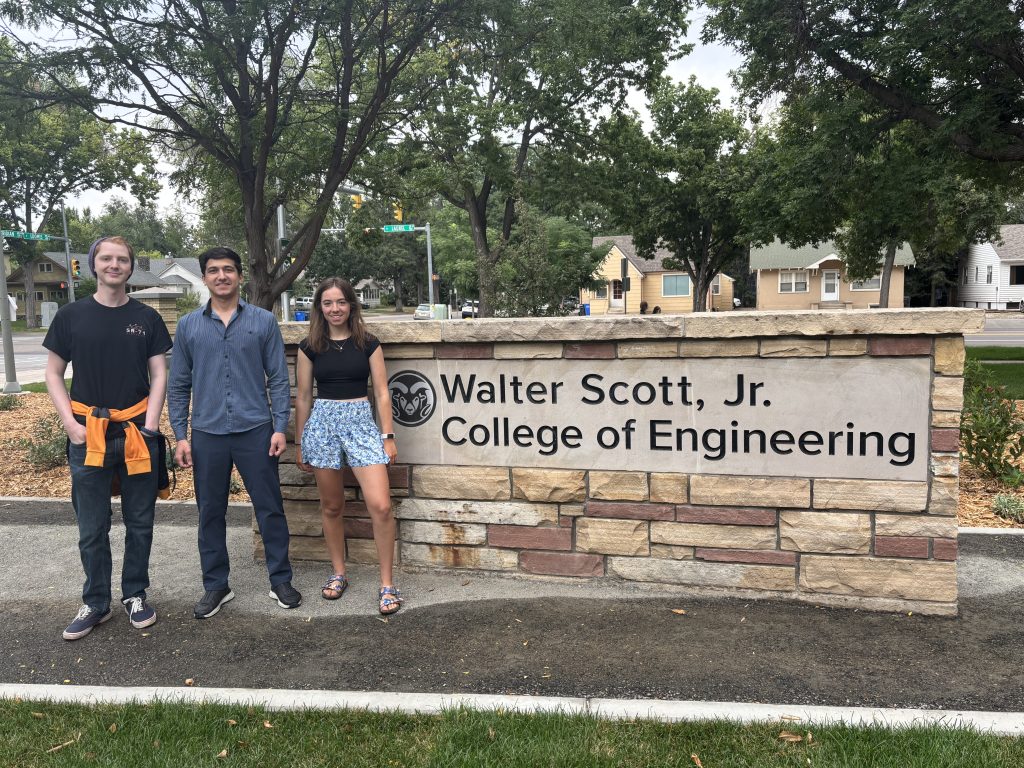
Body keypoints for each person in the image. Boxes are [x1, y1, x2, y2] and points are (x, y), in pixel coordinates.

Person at [43, 236, 172, 640]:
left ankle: (135, 594)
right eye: (106, 258)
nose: (114, 265)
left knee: (140, 522)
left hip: (136, 434)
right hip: (88, 436)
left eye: (122, 260)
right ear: (94, 265)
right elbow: (53, 373)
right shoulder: (70, 316)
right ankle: (96, 601)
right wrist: (71, 425)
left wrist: (151, 426)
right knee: (91, 526)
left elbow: (159, 374)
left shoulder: (146, 319)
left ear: (130, 268)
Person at [169, 246, 301, 618]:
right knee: (211, 511)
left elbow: (277, 378)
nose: (222, 276)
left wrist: (279, 427)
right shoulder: (189, 326)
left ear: (240, 276)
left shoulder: (263, 321)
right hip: (207, 432)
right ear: (205, 277)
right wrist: (180, 433)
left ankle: (280, 580)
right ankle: (216, 586)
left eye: (229, 269)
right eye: (214, 270)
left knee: (270, 508)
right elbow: (179, 384)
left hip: (255, 430)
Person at [294, 277, 402, 615]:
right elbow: (303, 396)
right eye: (328, 303)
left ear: (351, 305)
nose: (335, 309)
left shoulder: (368, 343)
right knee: (332, 506)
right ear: (319, 308)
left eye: (341, 302)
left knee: (381, 505)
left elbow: (383, 392)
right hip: (323, 426)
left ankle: (387, 583)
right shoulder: (309, 345)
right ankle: (338, 572)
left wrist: (388, 435)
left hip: (361, 424)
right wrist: (301, 442)